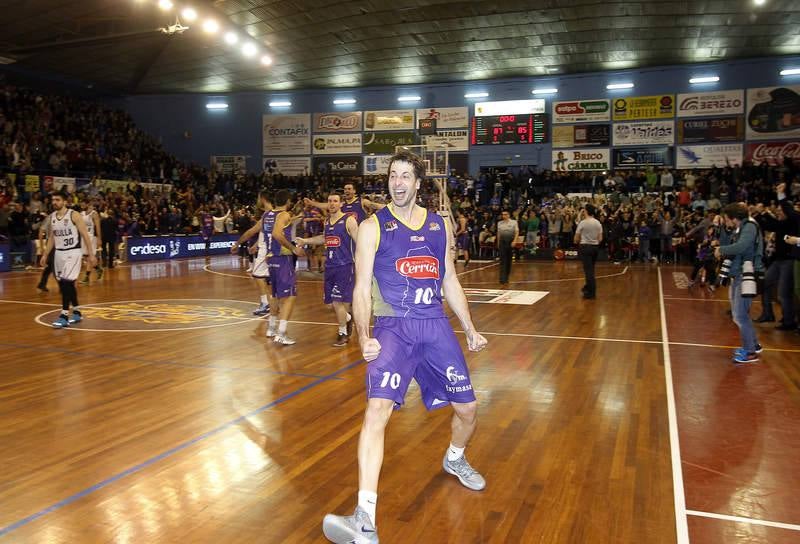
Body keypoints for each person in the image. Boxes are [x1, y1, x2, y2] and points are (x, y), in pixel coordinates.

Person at [322, 151, 488, 544]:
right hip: (393, 327)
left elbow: (448, 279)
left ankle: (454, 459)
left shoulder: (438, 225)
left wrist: (469, 327)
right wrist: (364, 335)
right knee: (376, 410)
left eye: (405, 176)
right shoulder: (371, 227)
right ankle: (364, 517)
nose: (397, 183)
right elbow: (360, 287)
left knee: (468, 410)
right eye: (392, 176)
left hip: (434, 326)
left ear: (417, 183)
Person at [296, 192, 358, 346]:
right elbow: (323, 238)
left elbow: (360, 242)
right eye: (330, 201)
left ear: (341, 204)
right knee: (331, 303)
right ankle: (348, 318)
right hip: (329, 267)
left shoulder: (349, 221)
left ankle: (343, 333)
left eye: (335, 201)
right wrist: (305, 240)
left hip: (345, 266)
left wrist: (362, 263)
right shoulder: (327, 221)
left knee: (337, 302)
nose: (332, 204)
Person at [714, 203, 764, 364]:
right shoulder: (740, 228)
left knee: (740, 315)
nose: (725, 221)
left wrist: (721, 249)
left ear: (734, 218)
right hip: (740, 273)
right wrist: (722, 229)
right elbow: (729, 242)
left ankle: (750, 352)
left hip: (747, 273)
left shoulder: (749, 226)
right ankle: (754, 344)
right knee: (740, 314)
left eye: (726, 219)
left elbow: (741, 247)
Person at [39, 190, 96, 328]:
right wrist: (45, 254)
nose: (54, 202)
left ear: (65, 201)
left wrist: (92, 254)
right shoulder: (52, 216)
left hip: (73, 252)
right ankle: (76, 311)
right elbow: (52, 237)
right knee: (68, 284)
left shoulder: (74, 215)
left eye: (57, 200)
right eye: (53, 200)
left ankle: (64, 314)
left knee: (65, 283)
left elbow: (85, 235)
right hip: (59, 253)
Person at [265, 189, 305, 345]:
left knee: (274, 295)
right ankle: (281, 333)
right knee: (290, 296)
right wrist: (293, 248)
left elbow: (273, 228)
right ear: (288, 201)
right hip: (283, 258)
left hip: (271, 258)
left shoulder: (267, 215)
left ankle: (271, 327)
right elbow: (277, 233)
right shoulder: (284, 215)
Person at [232, 191, 273, 317]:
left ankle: (266, 304)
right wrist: (256, 245)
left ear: (263, 199)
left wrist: (237, 243)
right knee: (270, 279)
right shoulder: (275, 213)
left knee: (258, 275)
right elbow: (264, 232)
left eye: (258, 198)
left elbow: (251, 232)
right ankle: (273, 303)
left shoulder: (268, 215)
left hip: (267, 250)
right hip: (272, 249)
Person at [575, 204, 603, 300]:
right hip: (595, 248)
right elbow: (600, 238)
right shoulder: (598, 223)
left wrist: (579, 241)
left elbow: (576, 238)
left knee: (588, 271)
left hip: (585, 247)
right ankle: (587, 288)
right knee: (591, 270)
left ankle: (591, 292)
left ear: (586, 211)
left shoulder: (583, 223)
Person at [79, 200, 103, 284]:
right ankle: (98, 269)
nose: (82, 206)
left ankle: (87, 277)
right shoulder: (81, 214)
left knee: (89, 257)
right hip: (83, 237)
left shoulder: (94, 214)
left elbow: (98, 227)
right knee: (85, 256)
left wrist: (99, 238)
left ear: (87, 204)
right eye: (81, 205)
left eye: (83, 204)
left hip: (91, 237)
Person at [496, 209, 518, 286]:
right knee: (502, 260)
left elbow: (516, 232)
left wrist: (515, 241)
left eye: (505, 214)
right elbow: (498, 233)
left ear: (508, 215)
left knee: (508, 261)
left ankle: (506, 277)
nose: (503, 216)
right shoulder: (499, 223)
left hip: (510, 242)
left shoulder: (514, 222)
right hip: (502, 242)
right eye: (502, 214)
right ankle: (502, 278)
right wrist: (498, 243)